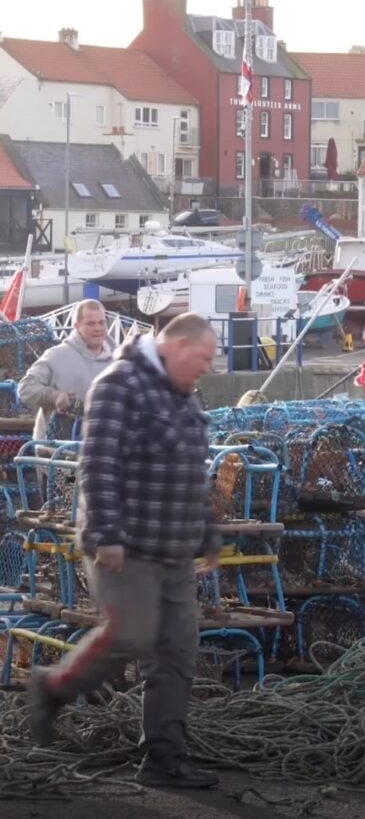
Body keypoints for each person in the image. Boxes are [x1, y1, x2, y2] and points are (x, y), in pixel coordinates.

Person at [29, 313, 222, 790]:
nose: (205, 369)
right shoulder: (120, 384)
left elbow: (192, 472)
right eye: (202, 359)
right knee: (134, 634)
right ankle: (53, 687)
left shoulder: (182, 397)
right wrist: (107, 532)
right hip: (126, 547)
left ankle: (164, 759)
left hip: (174, 551)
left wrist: (208, 533)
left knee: (178, 650)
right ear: (176, 346)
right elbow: (97, 463)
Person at [17, 299, 114, 439]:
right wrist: (54, 396)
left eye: (101, 322)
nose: (98, 328)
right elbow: (25, 388)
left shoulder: (117, 358)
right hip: (55, 452)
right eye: (91, 324)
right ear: (77, 326)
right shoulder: (56, 356)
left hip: (100, 447)